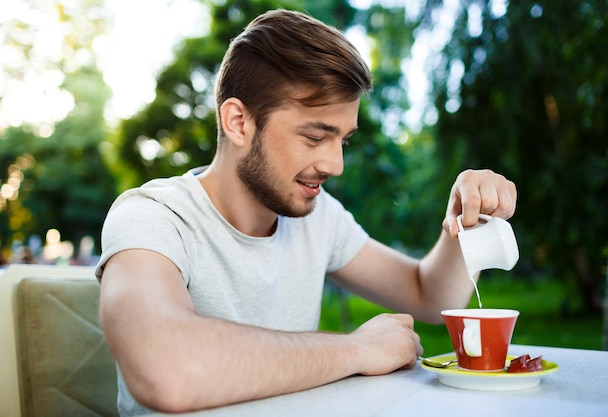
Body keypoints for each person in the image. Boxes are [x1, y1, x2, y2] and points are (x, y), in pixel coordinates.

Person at [96, 9, 517, 416]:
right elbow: (167, 368)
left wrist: (464, 220)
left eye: (343, 141)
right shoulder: (152, 216)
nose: (336, 165)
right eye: (316, 136)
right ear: (238, 122)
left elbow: (431, 297)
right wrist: (357, 349)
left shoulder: (319, 217)